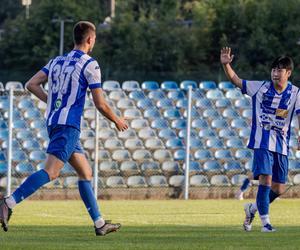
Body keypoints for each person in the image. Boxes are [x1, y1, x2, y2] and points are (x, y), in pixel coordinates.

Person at [0, 21, 128, 236]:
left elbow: (31, 84)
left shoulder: (56, 61)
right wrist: (117, 120)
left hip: (54, 122)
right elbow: (100, 104)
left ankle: (99, 224)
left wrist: (51, 100)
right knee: (51, 172)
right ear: (89, 39)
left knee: (85, 172)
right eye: (94, 39)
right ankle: (8, 202)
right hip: (68, 126)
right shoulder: (90, 64)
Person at [220, 47, 300, 232]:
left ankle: (252, 208)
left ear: (288, 73)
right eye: (273, 69)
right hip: (261, 142)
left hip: (281, 146)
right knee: (265, 180)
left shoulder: (296, 93)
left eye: (279, 70)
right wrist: (227, 65)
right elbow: (236, 80)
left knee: (279, 189)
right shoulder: (260, 87)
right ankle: (266, 224)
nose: (275, 73)